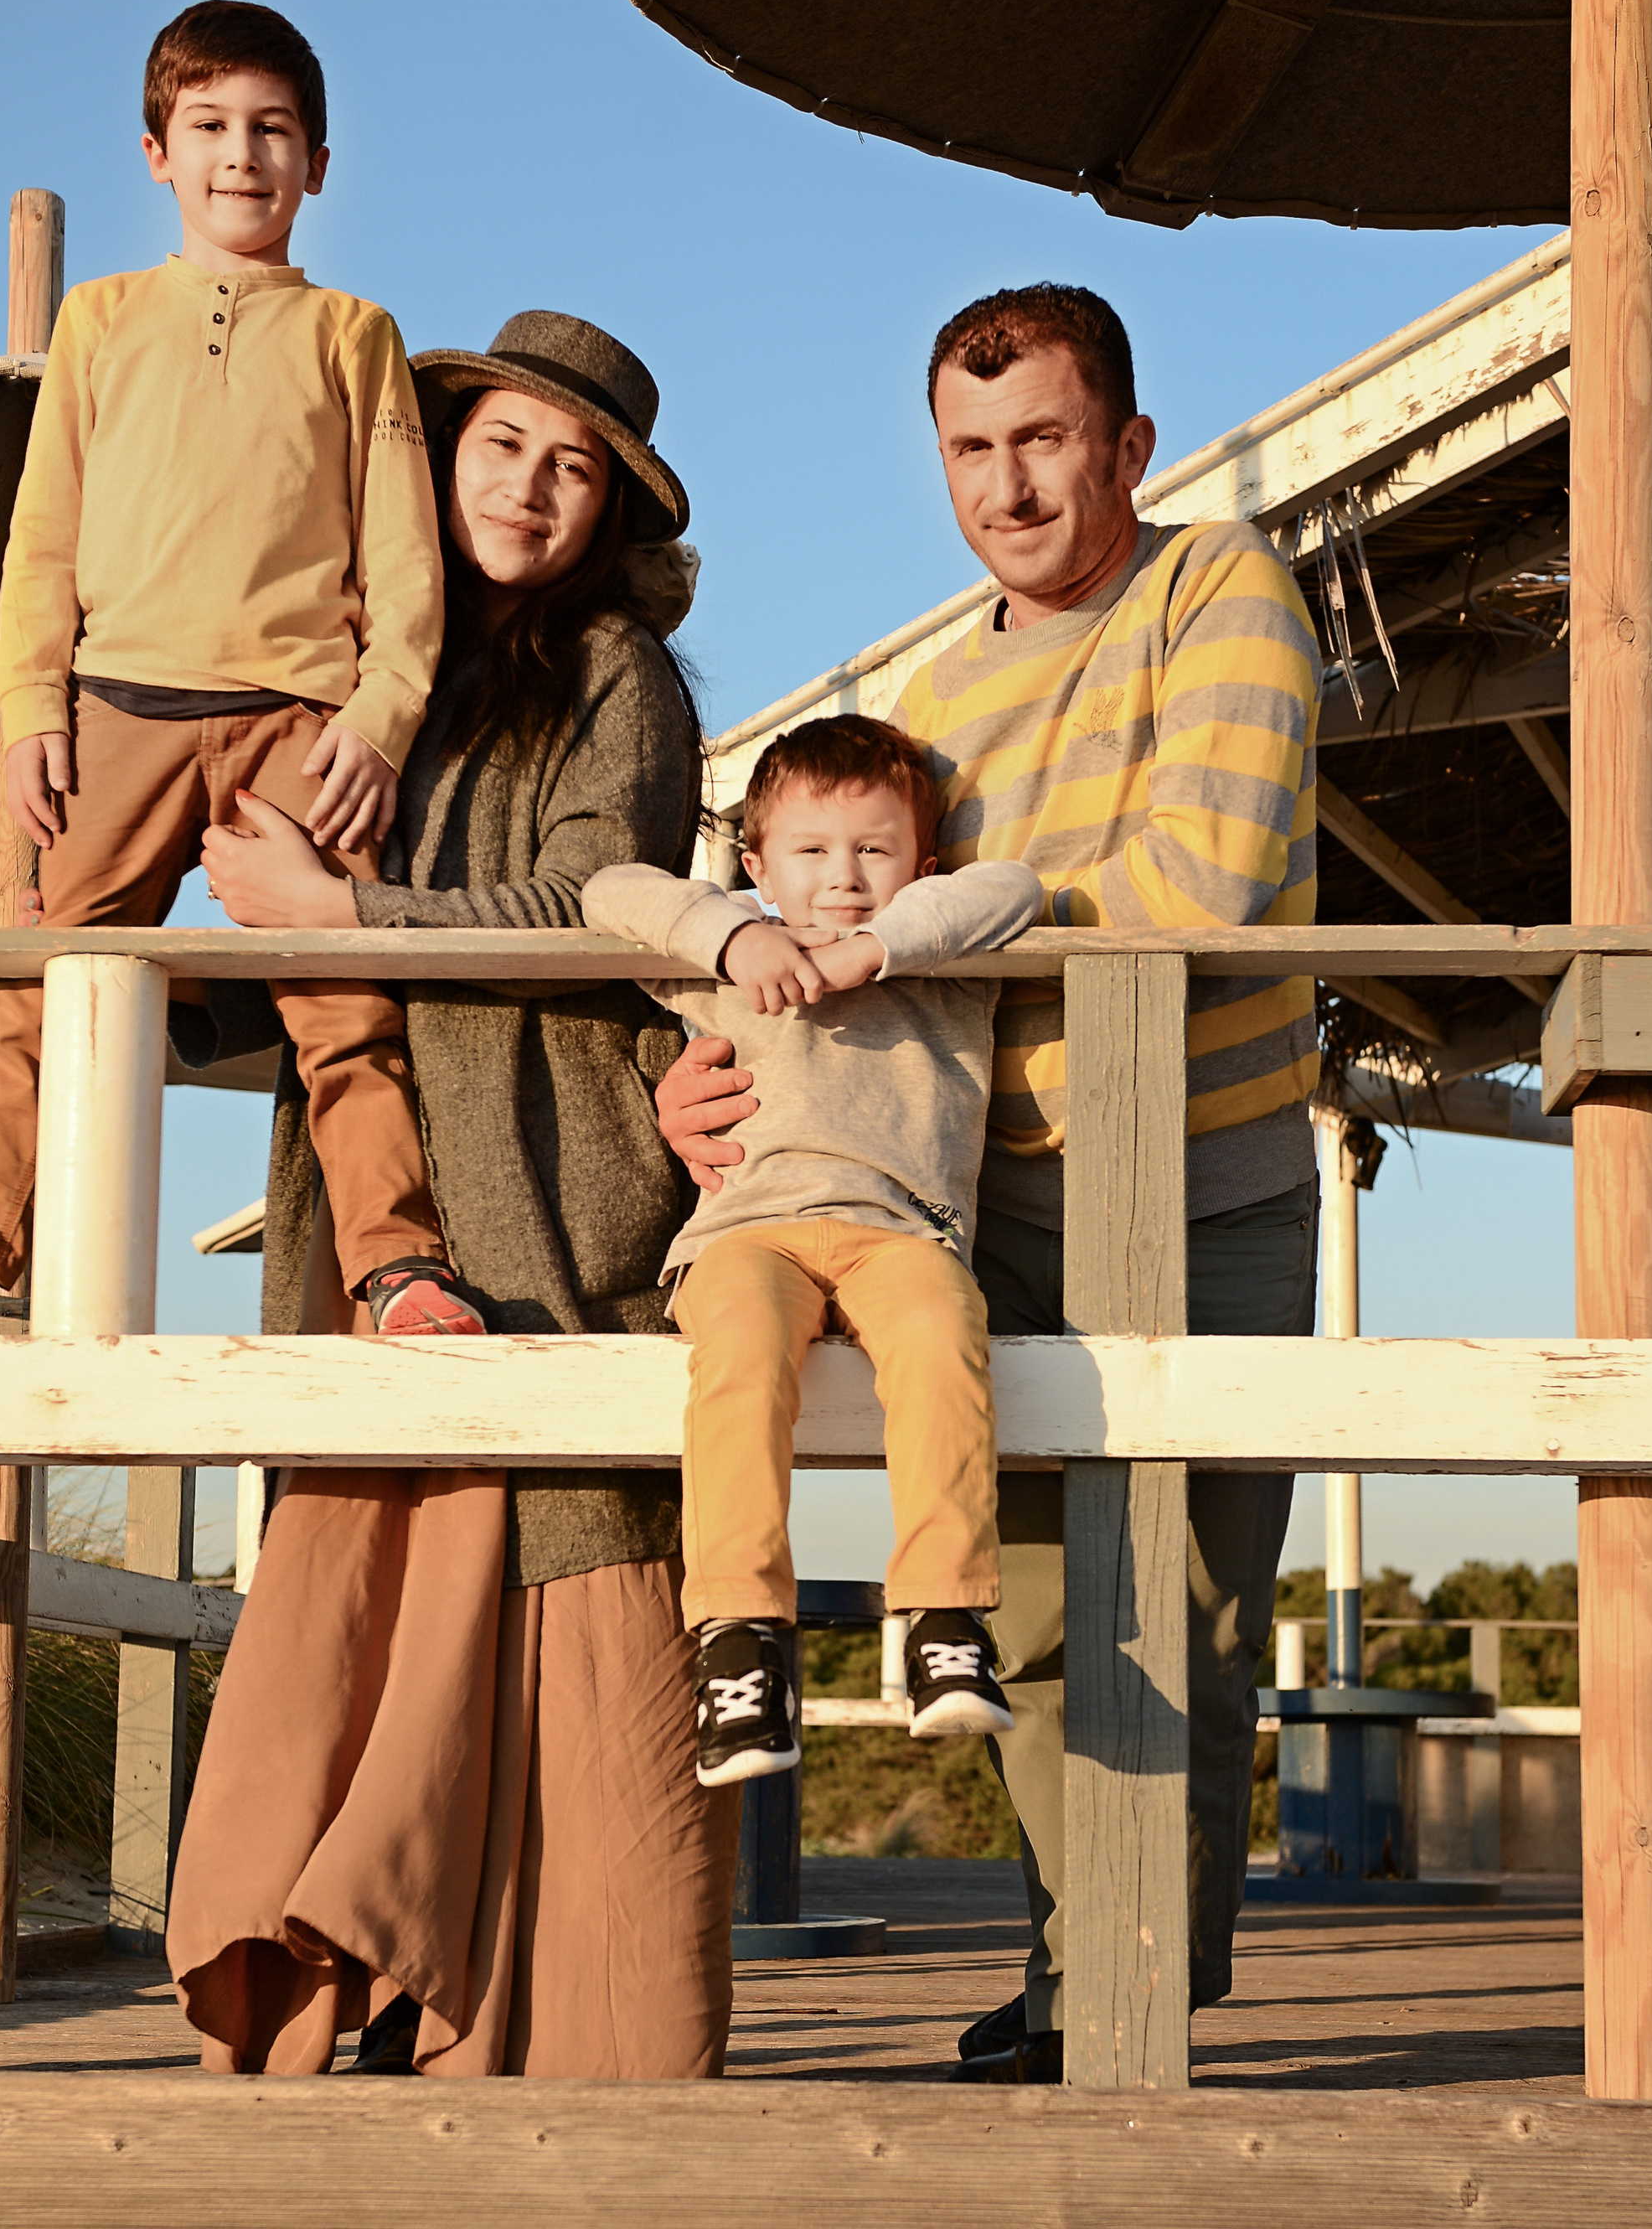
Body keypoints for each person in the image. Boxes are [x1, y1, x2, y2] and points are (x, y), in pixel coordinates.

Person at [657, 284, 1322, 2083]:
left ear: (1127, 444)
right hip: (978, 1200)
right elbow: (837, 953)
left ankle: (1135, 1988)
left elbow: (1203, 879)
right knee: (1025, 1617)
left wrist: (933, 929)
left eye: (1042, 439)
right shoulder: (934, 701)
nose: (1007, 486)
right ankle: (1073, 1974)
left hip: (1203, 1178)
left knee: (1190, 1612)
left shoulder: (1218, 590)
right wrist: (713, 1067)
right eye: (970, 449)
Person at [166, 310, 737, 2079]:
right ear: (442, 453)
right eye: (504, 445)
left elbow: (595, 911)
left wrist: (337, 914)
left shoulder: (619, 676)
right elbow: (271, 911)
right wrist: (195, 973)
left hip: (552, 1181)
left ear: (610, 514)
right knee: (365, 1551)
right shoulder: (352, 663)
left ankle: (583, 2042)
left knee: (573, 1559)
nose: (532, 489)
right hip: (368, 1195)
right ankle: (338, 1978)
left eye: (574, 470)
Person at [0, 0, 480, 1345]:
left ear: (318, 163)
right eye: (210, 126)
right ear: (157, 152)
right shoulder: (100, 321)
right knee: (39, 987)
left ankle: (399, 1268)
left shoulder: (356, 333)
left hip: (301, 725)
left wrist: (384, 719)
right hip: (116, 710)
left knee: (346, 1006)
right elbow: (42, 540)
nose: (242, 155)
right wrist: (28, 711)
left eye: (272, 130)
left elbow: (405, 559)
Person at [584, 716, 1045, 1786]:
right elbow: (609, 889)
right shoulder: (728, 962)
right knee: (741, 1364)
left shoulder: (941, 959)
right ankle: (740, 1640)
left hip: (902, 1232)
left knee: (943, 1335)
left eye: (875, 849)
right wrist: (733, 935)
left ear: (920, 864)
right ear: (757, 863)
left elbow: (1014, 887)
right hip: (747, 1236)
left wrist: (866, 952)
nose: (843, 876)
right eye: (810, 850)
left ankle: (943, 1617)